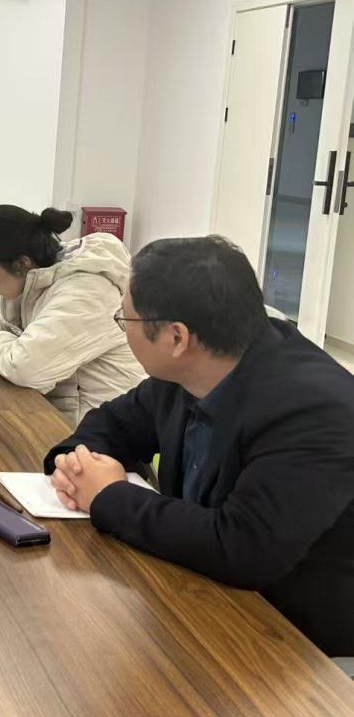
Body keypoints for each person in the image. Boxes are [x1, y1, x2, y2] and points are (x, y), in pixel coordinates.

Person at [44, 237, 354, 657]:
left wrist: (108, 495)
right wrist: (74, 463)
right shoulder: (192, 368)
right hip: (198, 597)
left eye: (125, 318)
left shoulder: (315, 410)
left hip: (295, 645)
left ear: (177, 338)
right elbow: (112, 422)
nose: (122, 326)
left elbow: (244, 547)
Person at [0, 206, 144, 421]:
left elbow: (26, 368)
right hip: (58, 412)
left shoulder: (86, 292)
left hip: (100, 426)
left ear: (21, 263)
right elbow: (2, 318)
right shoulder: (39, 276)